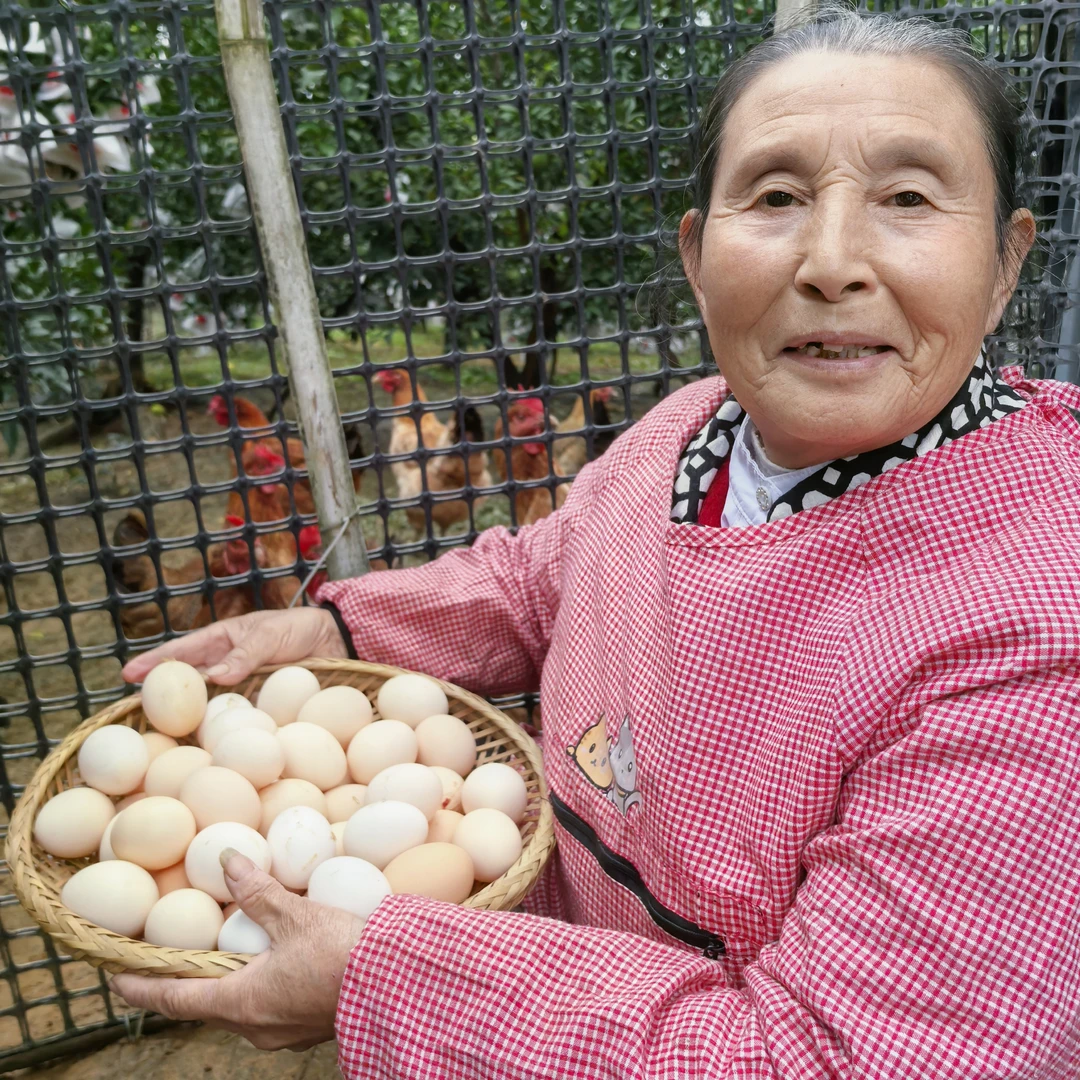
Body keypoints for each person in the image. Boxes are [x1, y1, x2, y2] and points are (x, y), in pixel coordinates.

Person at [109, 5, 1080, 1076]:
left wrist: (386, 978)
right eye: (775, 197)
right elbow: (546, 578)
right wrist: (331, 627)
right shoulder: (691, 431)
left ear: (1002, 266)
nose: (833, 260)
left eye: (906, 197)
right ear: (697, 253)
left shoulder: (1034, 633)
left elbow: (830, 1060)